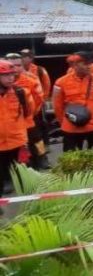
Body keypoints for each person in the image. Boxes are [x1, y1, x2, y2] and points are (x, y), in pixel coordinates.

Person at [53, 52, 93, 153]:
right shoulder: (60, 83)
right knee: (72, 161)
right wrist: (65, 122)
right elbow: (58, 106)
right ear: (75, 65)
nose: (89, 66)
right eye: (85, 64)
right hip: (71, 127)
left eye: (89, 63)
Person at [0, 60, 35, 213]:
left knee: (23, 176)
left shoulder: (20, 92)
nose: (10, 78)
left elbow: (28, 113)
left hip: (18, 141)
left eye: (11, 75)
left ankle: (28, 205)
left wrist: (24, 137)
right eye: (5, 75)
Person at [5, 53, 50, 169]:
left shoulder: (32, 80)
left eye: (19, 65)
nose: (15, 68)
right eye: (12, 66)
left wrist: (31, 114)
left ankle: (42, 159)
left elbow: (38, 99)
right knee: (19, 147)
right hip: (10, 122)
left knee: (36, 140)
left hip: (30, 118)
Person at [19, 49, 51, 149]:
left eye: (25, 56)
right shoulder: (17, 72)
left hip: (38, 104)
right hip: (24, 106)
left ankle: (45, 147)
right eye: (21, 56)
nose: (22, 59)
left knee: (40, 126)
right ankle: (27, 149)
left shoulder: (39, 70)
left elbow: (46, 86)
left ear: (31, 58)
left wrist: (43, 101)